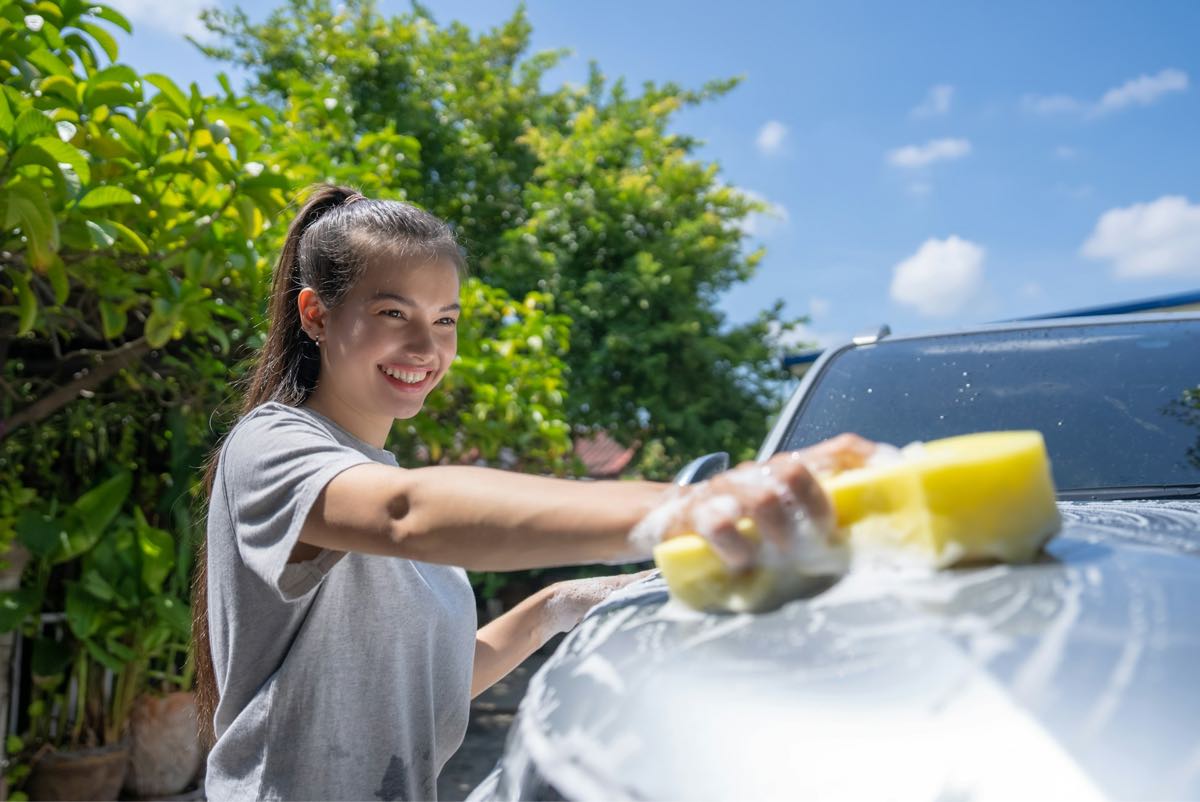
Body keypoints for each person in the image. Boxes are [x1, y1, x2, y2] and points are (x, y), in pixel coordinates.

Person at [192, 184, 874, 801]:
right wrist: (697, 502)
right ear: (315, 314)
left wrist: (557, 605)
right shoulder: (273, 446)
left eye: (447, 319)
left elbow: (422, 691)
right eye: (394, 311)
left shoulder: (377, 471)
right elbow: (407, 514)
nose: (426, 345)